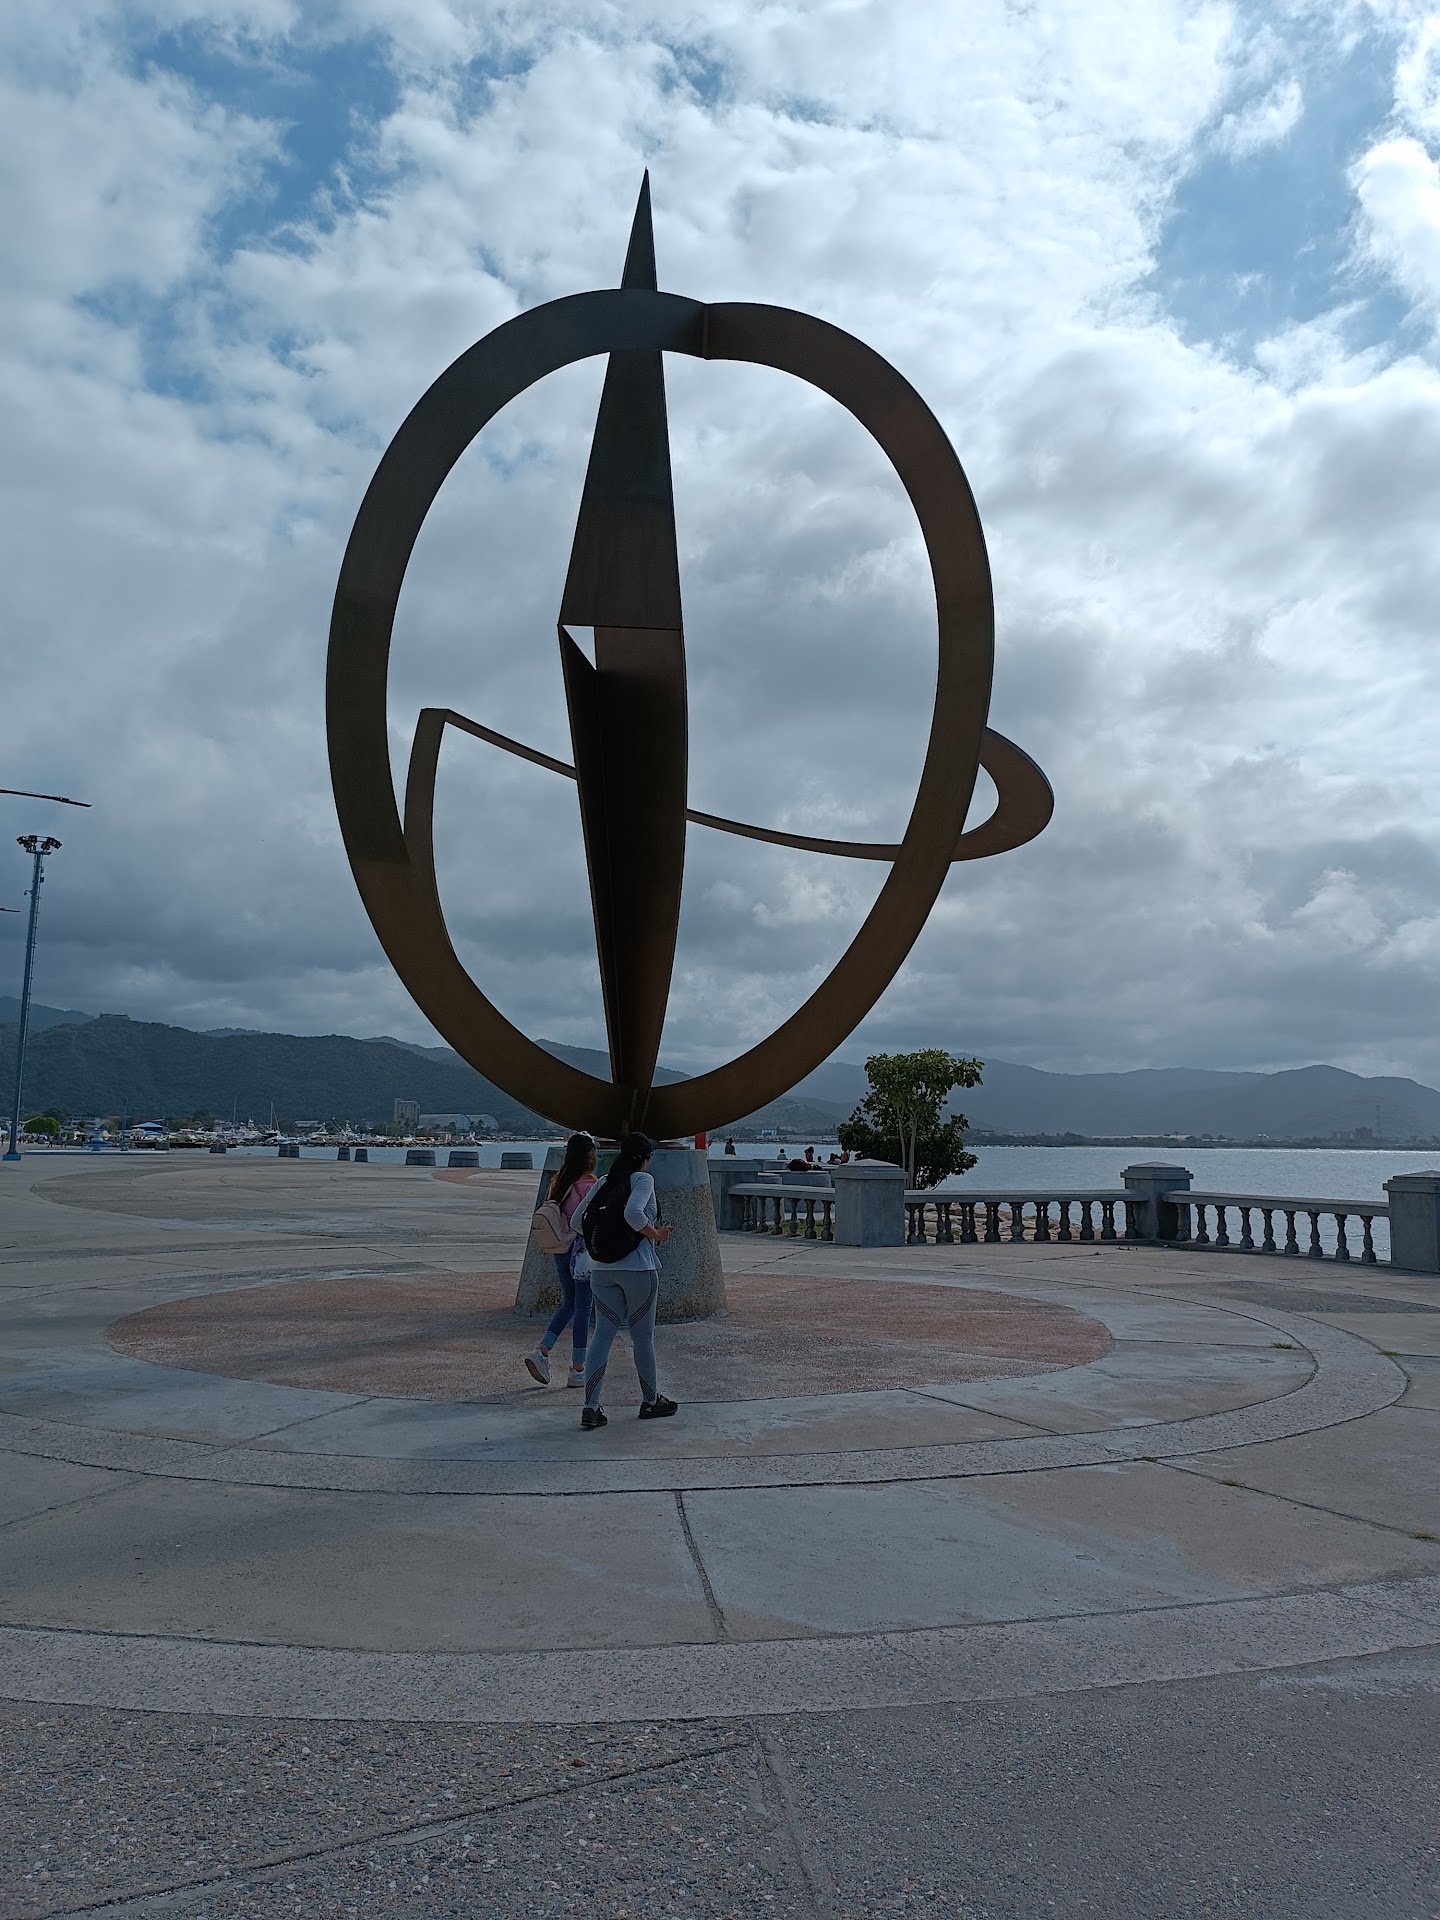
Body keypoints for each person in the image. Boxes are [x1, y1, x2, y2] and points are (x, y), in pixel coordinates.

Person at [571, 1132, 677, 1430]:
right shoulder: (642, 1179)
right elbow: (633, 1213)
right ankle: (651, 1401)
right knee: (642, 1337)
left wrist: (606, 1241)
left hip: (602, 1271)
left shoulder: (605, 1181)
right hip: (639, 1270)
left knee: (602, 1335)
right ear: (644, 1159)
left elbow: (577, 1221)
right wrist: (656, 1234)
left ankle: (591, 1407)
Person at [524, 1132, 597, 1389]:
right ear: (589, 1156)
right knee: (584, 1307)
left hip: (561, 1249)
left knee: (570, 1302)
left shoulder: (558, 1181)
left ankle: (542, 1351)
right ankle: (578, 1369)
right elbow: (590, 1219)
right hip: (582, 1252)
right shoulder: (588, 1184)